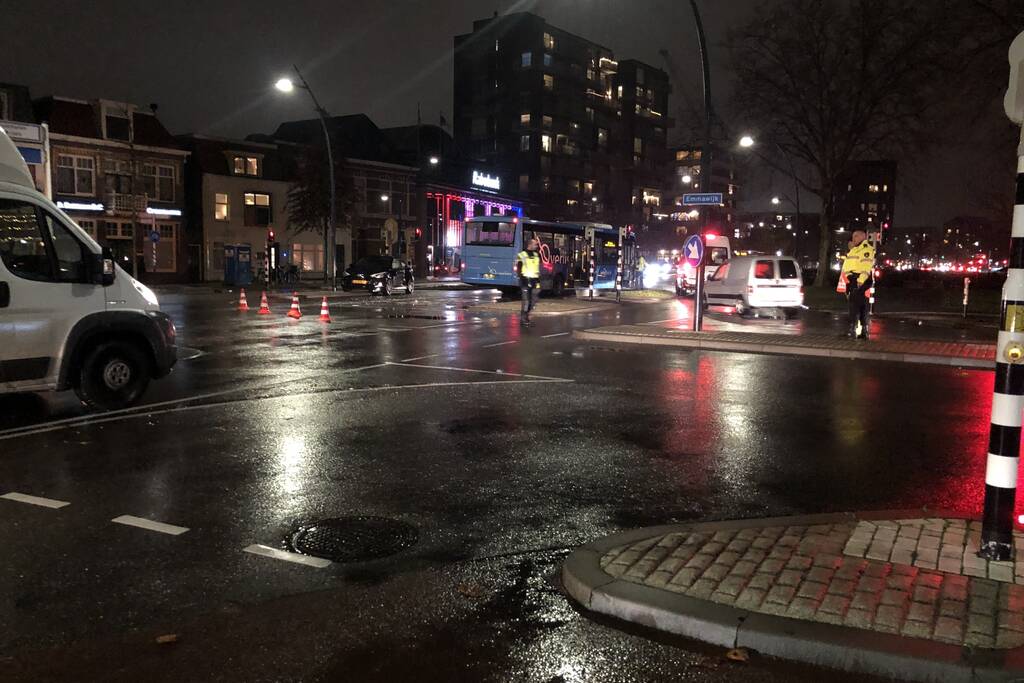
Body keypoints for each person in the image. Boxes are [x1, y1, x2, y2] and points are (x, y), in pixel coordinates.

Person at [840, 230, 875, 339]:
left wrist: (860, 280)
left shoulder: (866, 249)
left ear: (863, 237)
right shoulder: (855, 250)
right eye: (853, 236)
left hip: (859, 279)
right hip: (853, 279)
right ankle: (864, 330)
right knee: (861, 305)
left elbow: (866, 266)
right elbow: (848, 264)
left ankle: (852, 329)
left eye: (856, 236)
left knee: (854, 305)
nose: (853, 238)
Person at [515, 237, 542, 326]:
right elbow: (518, 269)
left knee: (534, 301)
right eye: (535, 244)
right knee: (526, 301)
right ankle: (523, 319)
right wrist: (521, 279)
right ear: (530, 245)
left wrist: (538, 281)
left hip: (534, 281)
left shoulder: (536, 255)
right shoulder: (522, 255)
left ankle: (526, 316)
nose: (537, 246)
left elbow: (537, 268)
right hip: (525, 281)